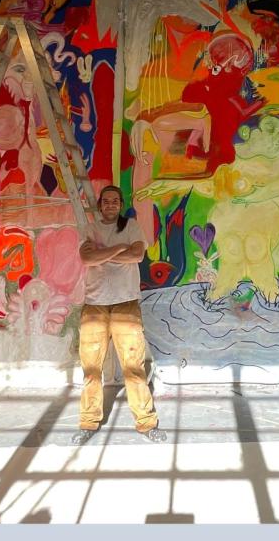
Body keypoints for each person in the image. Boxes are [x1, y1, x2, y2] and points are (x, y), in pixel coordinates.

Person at [75, 183, 160, 441]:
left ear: (120, 205)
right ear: (100, 204)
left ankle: (146, 423)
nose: (111, 204)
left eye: (115, 201)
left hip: (126, 303)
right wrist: (118, 250)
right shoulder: (90, 229)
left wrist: (103, 253)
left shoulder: (131, 226)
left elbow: (137, 255)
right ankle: (88, 423)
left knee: (133, 367)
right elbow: (87, 259)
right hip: (95, 304)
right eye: (107, 201)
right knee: (91, 368)